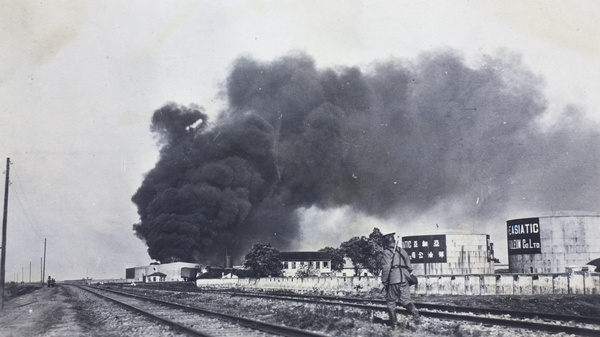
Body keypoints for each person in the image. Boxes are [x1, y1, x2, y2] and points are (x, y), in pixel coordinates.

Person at [380, 232, 419, 326]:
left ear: (386, 242)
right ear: (393, 240)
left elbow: (386, 268)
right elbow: (409, 267)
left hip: (394, 278)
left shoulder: (386, 252)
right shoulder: (402, 251)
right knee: (406, 300)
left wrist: (384, 281)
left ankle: (394, 325)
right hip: (405, 279)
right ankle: (415, 314)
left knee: (390, 301)